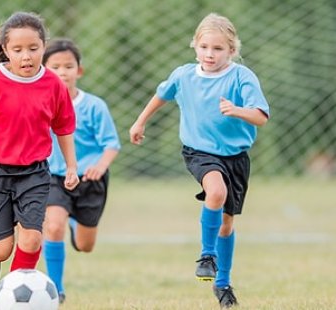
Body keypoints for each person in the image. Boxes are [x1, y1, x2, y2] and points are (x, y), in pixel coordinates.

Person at [129, 13, 269, 309]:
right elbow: (161, 94)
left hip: (236, 157)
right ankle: (207, 256)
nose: (210, 54)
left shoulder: (242, 77)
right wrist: (140, 122)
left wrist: (237, 110)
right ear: (195, 46)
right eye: (204, 46)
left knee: (227, 225)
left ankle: (223, 284)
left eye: (218, 49)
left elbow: (260, 116)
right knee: (216, 192)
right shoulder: (184, 75)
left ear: (231, 50)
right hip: (199, 152)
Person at [0, 11, 80, 288]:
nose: (26, 56)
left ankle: (14, 293)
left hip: (34, 172)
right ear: (5, 50)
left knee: (32, 239)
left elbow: (64, 127)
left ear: (44, 46)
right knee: (2, 249)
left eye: (33, 48)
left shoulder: (54, 85)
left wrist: (71, 166)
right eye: (17, 50)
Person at [41, 38, 121, 304]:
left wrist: (100, 166)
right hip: (54, 177)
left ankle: (76, 222)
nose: (62, 72)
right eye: (55, 66)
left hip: (89, 179)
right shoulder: (40, 104)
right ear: (44, 70)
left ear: (79, 70)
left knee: (85, 246)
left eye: (68, 66)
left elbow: (111, 144)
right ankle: (56, 289)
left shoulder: (94, 106)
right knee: (53, 227)